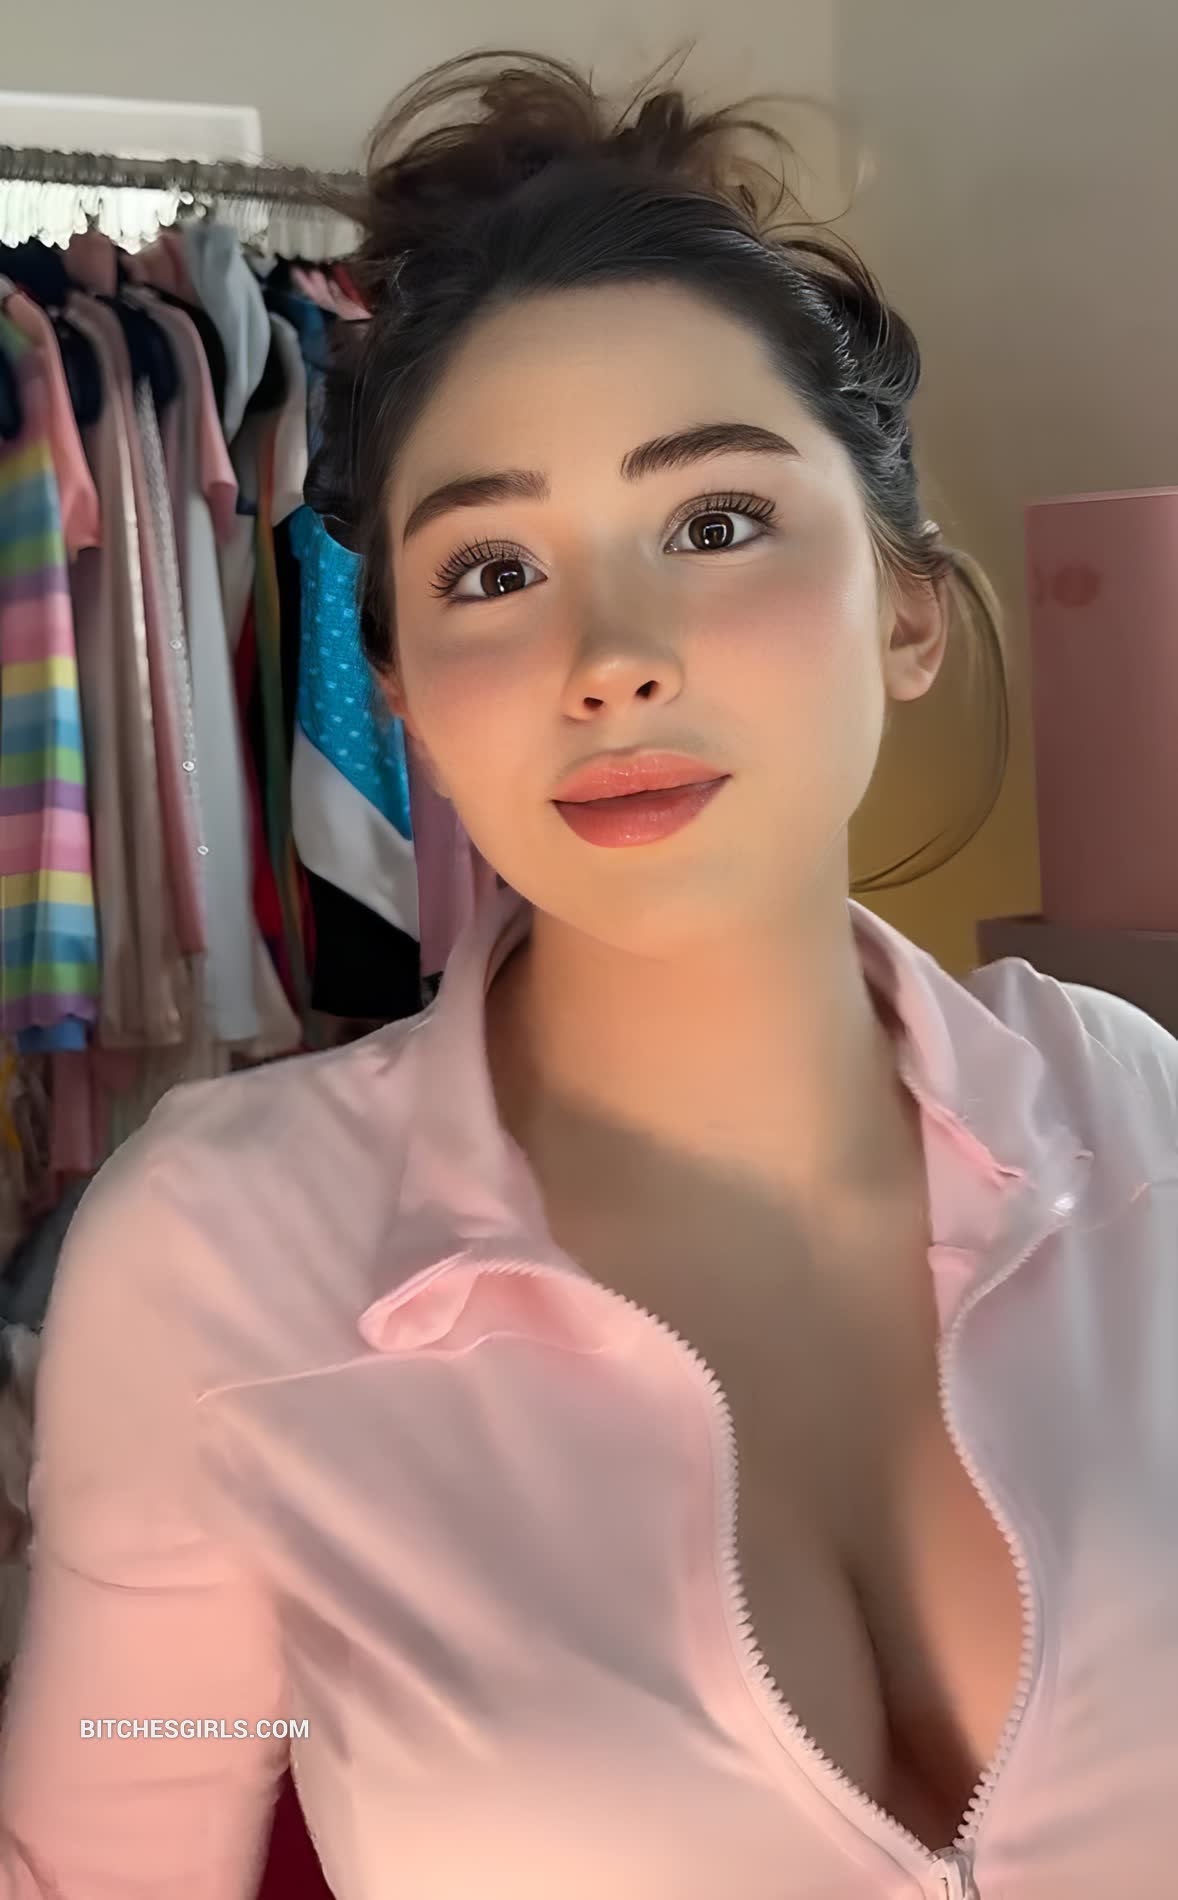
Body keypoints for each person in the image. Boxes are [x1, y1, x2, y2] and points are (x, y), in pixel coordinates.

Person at [0, 48, 1174, 1900]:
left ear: (905, 607)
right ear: (399, 691)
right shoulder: (219, 1257)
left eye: (713, 524)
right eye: (491, 571)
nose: (609, 657)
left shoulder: (1134, 1114)